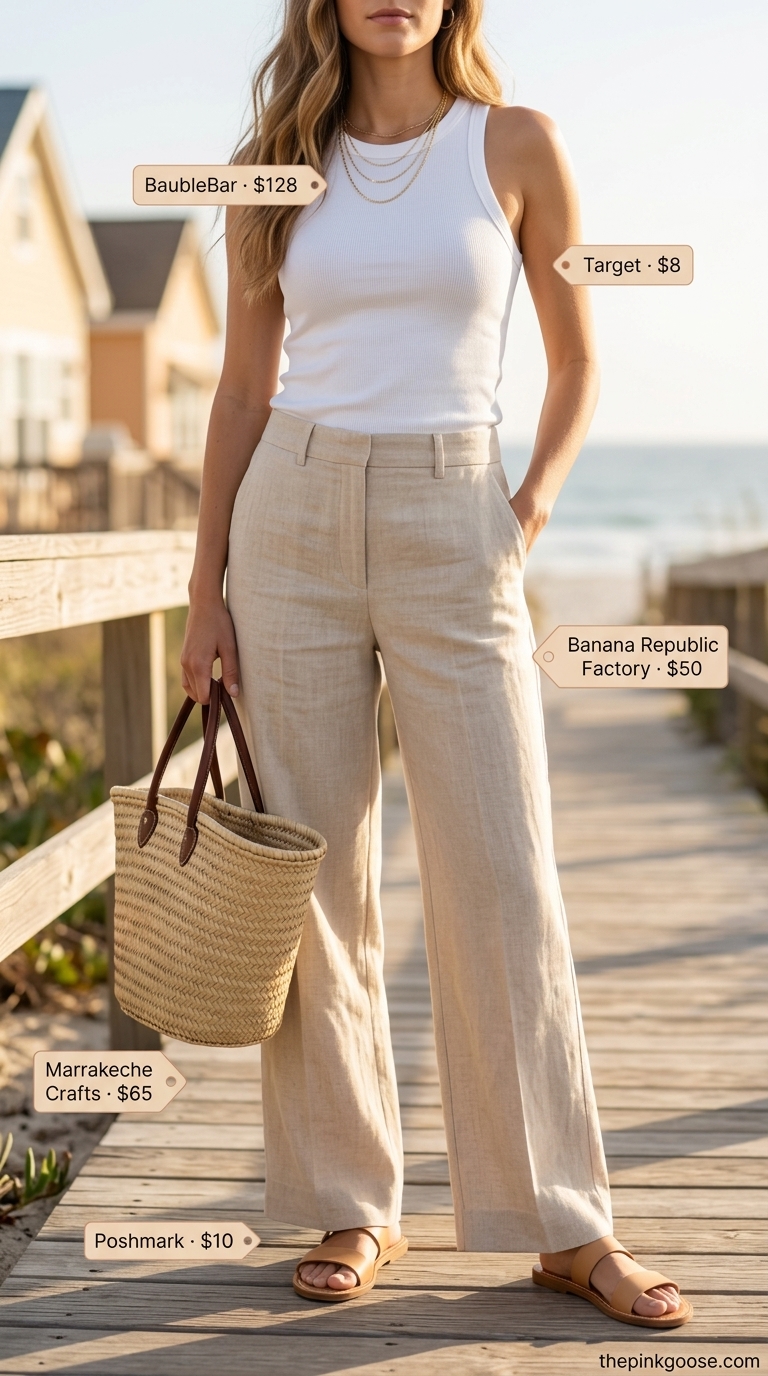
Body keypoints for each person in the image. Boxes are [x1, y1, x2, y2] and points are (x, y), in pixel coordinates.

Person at [180, 0, 691, 1329]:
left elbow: (575, 359)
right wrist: (203, 592)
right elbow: (241, 388)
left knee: (503, 870)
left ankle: (565, 1226)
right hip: (286, 521)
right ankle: (355, 1204)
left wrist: (517, 517)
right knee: (319, 878)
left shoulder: (516, 146)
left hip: (454, 511)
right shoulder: (270, 164)